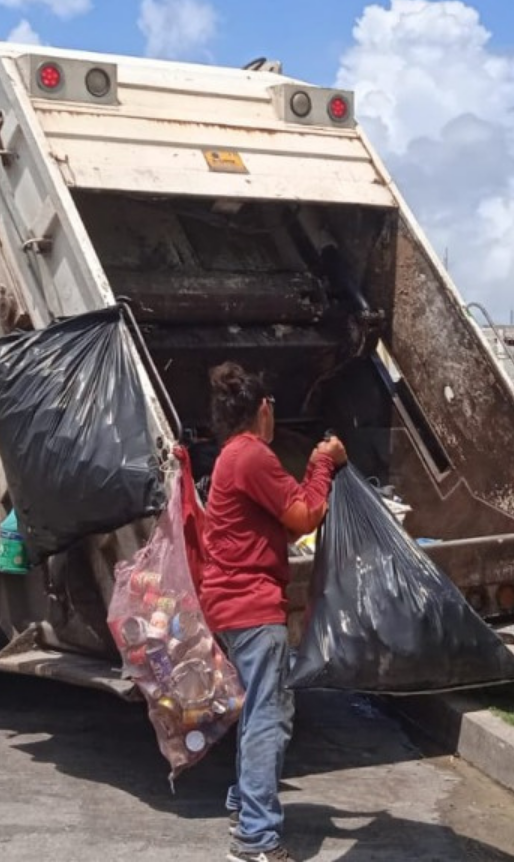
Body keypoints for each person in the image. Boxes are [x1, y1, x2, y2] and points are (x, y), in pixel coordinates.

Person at [197, 362, 347, 862]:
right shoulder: (252, 455)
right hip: (252, 606)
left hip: (232, 604)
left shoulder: (232, 457)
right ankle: (256, 839)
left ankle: (245, 808)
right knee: (270, 718)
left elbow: (281, 521)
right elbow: (303, 516)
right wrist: (322, 463)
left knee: (257, 712)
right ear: (263, 409)